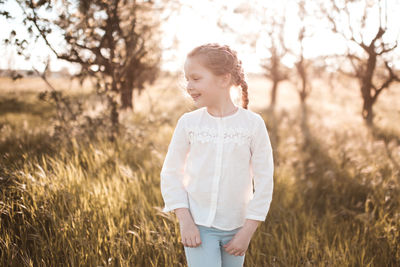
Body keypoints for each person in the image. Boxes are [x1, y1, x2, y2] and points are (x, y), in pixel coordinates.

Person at [160, 43, 274, 267]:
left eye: (196, 78)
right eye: (187, 79)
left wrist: (247, 231)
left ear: (224, 79)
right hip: (199, 226)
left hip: (238, 228)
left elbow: (264, 181)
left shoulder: (253, 124)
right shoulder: (189, 123)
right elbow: (171, 173)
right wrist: (185, 221)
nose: (188, 86)